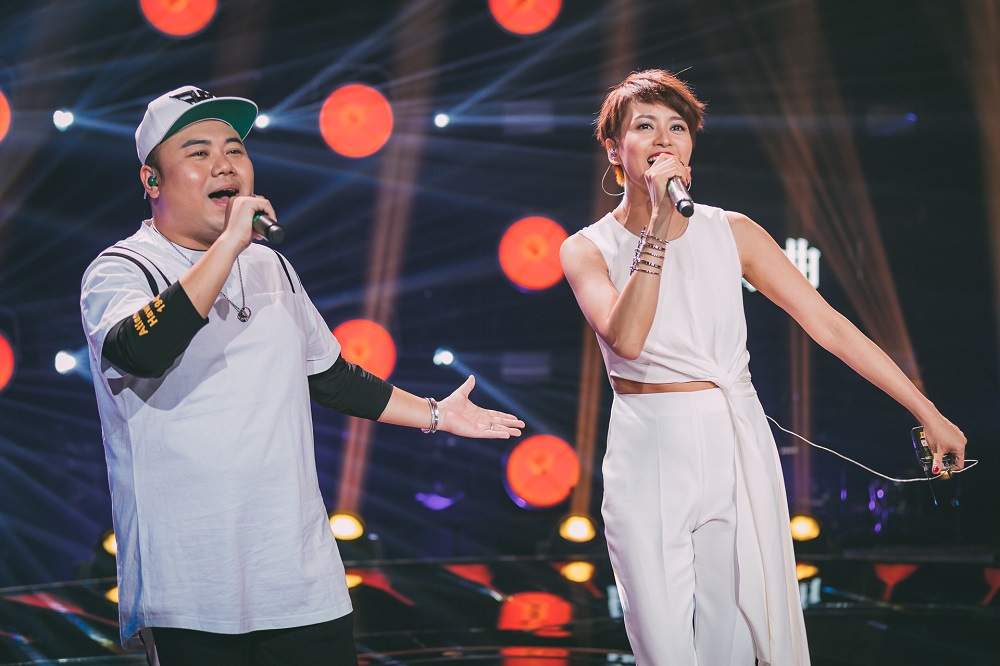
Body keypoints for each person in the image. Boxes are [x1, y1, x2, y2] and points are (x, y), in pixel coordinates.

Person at [80, 85, 524, 666]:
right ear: (151, 179)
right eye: (198, 152)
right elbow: (141, 350)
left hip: (300, 577)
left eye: (235, 150)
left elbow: (332, 376)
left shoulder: (271, 265)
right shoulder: (122, 268)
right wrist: (231, 244)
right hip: (191, 586)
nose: (224, 164)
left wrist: (436, 414)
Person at [559, 69, 967, 665]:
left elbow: (829, 326)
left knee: (730, 646)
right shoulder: (586, 248)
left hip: (732, 441)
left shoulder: (733, 231)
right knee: (664, 648)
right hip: (648, 446)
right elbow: (626, 338)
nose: (664, 139)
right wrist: (658, 232)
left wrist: (926, 411)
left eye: (678, 127)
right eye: (645, 126)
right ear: (615, 149)